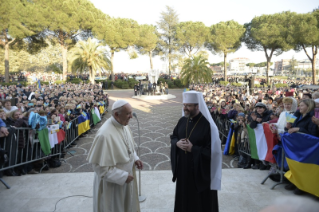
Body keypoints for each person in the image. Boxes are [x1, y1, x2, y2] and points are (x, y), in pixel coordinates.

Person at [87, 100, 143, 212]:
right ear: (117, 115)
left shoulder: (123, 124)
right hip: (112, 186)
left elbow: (129, 146)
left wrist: (135, 158)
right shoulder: (104, 135)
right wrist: (122, 176)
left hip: (127, 180)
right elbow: (99, 167)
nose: (131, 117)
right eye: (128, 114)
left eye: (131, 113)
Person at [170, 91, 221, 212]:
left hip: (200, 174)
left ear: (197, 106)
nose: (185, 108)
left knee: (199, 203)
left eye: (188, 106)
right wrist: (176, 143)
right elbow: (174, 136)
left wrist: (193, 149)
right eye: (184, 105)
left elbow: (213, 152)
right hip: (183, 170)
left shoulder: (208, 126)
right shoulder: (182, 121)